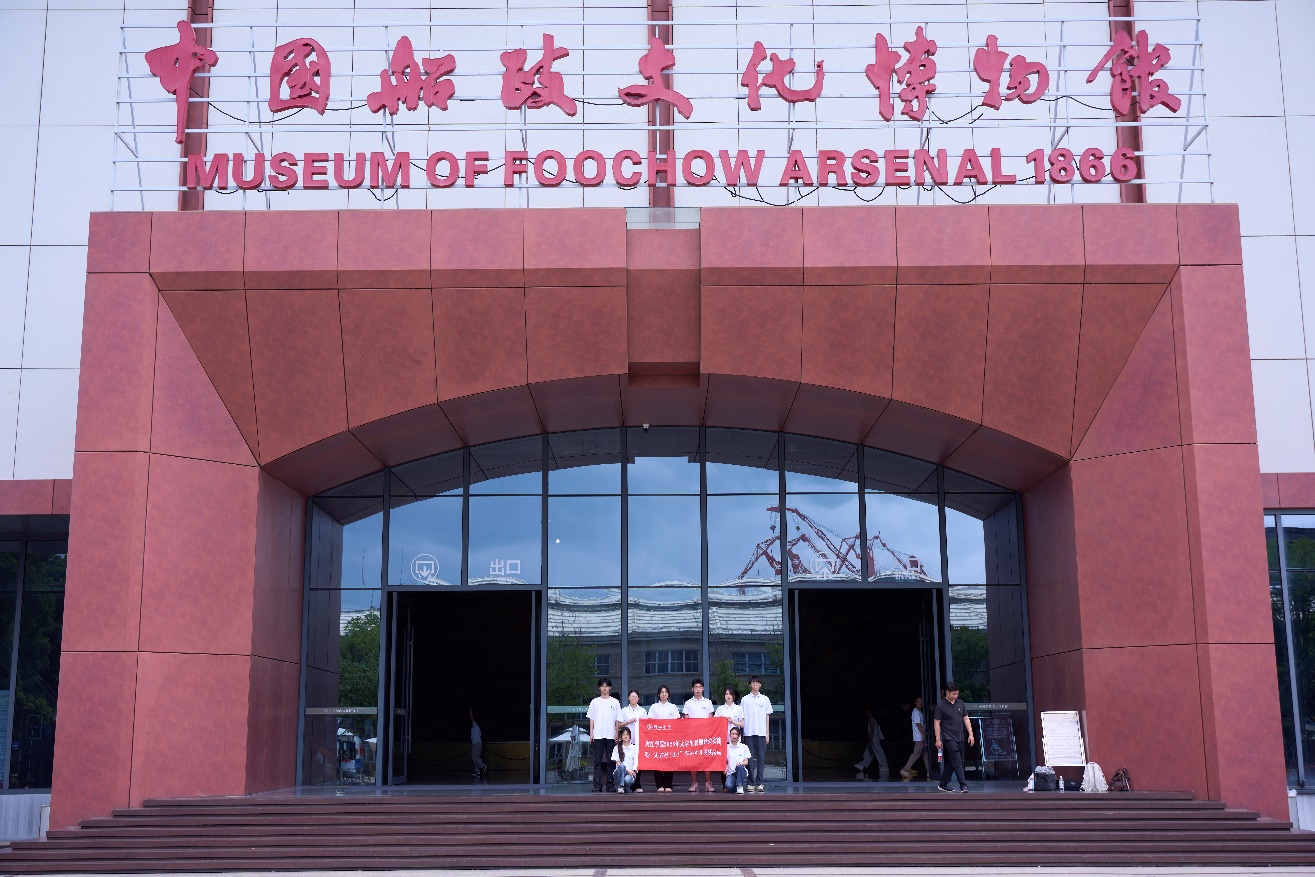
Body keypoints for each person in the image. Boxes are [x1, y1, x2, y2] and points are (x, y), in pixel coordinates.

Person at [934, 681, 975, 793]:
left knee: (953, 762)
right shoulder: (941, 706)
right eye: (953, 694)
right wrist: (938, 739)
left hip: (960, 737)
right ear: (947, 693)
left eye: (957, 693)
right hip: (948, 738)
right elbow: (937, 723)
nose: (956, 696)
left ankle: (943, 783)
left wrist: (971, 734)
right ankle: (963, 785)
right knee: (957, 761)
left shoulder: (960, 703)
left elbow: (966, 719)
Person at [586, 677, 621, 793]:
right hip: (598, 735)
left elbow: (618, 719)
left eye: (606, 686)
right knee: (597, 761)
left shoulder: (615, 702)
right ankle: (597, 785)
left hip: (611, 735)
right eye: (602, 686)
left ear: (610, 688)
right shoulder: (594, 702)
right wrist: (591, 733)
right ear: (599, 688)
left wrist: (617, 733)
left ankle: (610, 785)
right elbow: (591, 718)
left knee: (611, 761)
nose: (604, 688)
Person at [741, 675, 774, 792]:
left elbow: (767, 717)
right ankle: (750, 783)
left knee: (761, 758)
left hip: (761, 733)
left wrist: (767, 734)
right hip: (748, 732)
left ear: (760, 685)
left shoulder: (765, 699)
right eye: (753, 682)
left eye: (757, 683)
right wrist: (742, 734)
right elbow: (742, 717)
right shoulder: (745, 699)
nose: (755, 684)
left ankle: (759, 782)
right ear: (750, 684)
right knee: (749, 758)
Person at [683, 678, 716, 792]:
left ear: (703, 689)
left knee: (707, 759)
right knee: (693, 759)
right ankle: (694, 783)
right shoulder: (688, 703)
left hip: (706, 736)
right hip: (693, 736)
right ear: (692, 689)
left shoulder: (708, 702)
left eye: (700, 687)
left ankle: (708, 783)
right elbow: (686, 720)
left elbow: (711, 720)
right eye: (696, 687)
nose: (698, 689)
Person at [648, 685, 680, 792]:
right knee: (657, 761)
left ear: (668, 694)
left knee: (669, 761)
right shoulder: (654, 707)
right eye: (662, 692)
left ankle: (668, 784)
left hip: (669, 739)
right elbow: (649, 723)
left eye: (666, 692)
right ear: (658, 694)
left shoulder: (673, 707)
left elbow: (677, 723)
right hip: (657, 739)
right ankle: (659, 785)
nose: (664, 694)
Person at [617, 690, 647, 792]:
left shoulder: (642, 711)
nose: (633, 698)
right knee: (626, 762)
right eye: (632, 696)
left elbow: (646, 725)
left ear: (638, 698)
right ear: (628, 698)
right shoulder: (624, 710)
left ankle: (637, 785)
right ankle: (625, 784)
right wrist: (629, 721)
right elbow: (618, 725)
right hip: (626, 742)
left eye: (635, 697)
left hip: (638, 741)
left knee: (637, 763)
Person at [900, 696, 931, 780]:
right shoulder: (916, 712)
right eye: (918, 701)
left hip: (920, 736)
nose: (920, 703)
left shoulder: (919, 712)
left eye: (921, 702)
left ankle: (929, 771)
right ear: (915, 703)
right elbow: (918, 724)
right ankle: (905, 769)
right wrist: (923, 734)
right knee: (916, 753)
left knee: (925, 754)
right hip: (919, 737)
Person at [854, 707, 889, 777]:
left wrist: (870, 739)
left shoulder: (871, 719)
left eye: (869, 712)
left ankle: (884, 766)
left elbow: (872, 730)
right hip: (874, 738)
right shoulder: (873, 719)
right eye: (867, 712)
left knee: (878, 752)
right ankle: (862, 764)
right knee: (869, 752)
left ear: (872, 713)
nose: (868, 714)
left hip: (873, 738)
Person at [723, 726, 751, 794]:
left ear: (739, 736)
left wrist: (741, 763)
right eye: (732, 734)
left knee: (740, 766)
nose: (734, 736)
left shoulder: (744, 747)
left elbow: (746, 762)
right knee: (728, 786)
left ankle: (739, 786)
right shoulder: (726, 747)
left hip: (741, 771)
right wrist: (724, 768)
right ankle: (737, 785)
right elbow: (725, 761)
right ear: (730, 735)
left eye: (736, 734)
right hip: (731, 773)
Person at [612, 727, 638, 793]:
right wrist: (628, 770)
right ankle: (621, 786)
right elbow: (618, 763)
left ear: (630, 736)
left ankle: (625, 788)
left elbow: (636, 760)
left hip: (630, 774)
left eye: (627, 735)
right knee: (622, 766)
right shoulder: (617, 748)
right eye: (623, 735)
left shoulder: (634, 748)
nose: (625, 736)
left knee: (627, 780)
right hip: (619, 773)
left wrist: (633, 770)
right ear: (621, 736)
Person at [469, 706, 488, 781]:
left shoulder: (475, 725)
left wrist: (470, 711)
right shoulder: (477, 728)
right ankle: (477, 771)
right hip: (477, 744)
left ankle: (483, 766)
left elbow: (471, 718)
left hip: (477, 744)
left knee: (474, 757)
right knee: (475, 756)